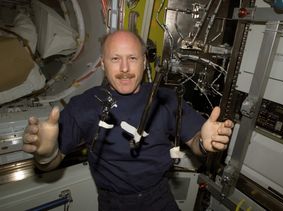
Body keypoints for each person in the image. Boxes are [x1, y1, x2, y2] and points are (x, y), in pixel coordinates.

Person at [23, 30, 234, 211]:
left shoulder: (166, 99)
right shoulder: (85, 105)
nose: (124, 68)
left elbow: (196, 142)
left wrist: (206, 144)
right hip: (114, 203)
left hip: (160, 198)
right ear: (103, 64)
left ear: (144, 62)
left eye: (132, 58)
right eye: (115, 59)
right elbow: (51, 161)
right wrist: (45, 155)